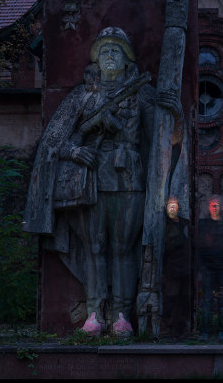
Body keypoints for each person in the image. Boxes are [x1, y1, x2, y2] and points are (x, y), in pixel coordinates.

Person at [23, 27, 183, 337]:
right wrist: (76, 150)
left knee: (123, 248)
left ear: (127, 58)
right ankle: (95, 313)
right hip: (90, 180)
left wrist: (173, 113)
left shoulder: (141, 94)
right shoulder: (83, 95)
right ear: (97, 59)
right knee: (94, 247)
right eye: (104, 51)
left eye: (116, 51)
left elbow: (164, 139)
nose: (109, 56)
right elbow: (54, 140)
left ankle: (121, 315)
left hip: (129, 179)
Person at [197, 194, 223, 342]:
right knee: (207, 302)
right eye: (212, 205)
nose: (215, 208)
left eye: (217, 205)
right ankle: (205, 332)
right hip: (209, 270)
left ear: (221, 207)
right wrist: (203, 268)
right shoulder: (205, 225)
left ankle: (221, 331)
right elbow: (199, 248)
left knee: (222, 302)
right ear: (209, 207)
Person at [161, 196, 190, 339]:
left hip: (186, 268)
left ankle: (181, 329)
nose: (172, 208)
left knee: (184, 299)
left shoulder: (185, 224)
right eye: (170, 206)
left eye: (174, 206)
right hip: (171, 269)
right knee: (170, 299)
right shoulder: (164, 225)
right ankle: (168, 329)